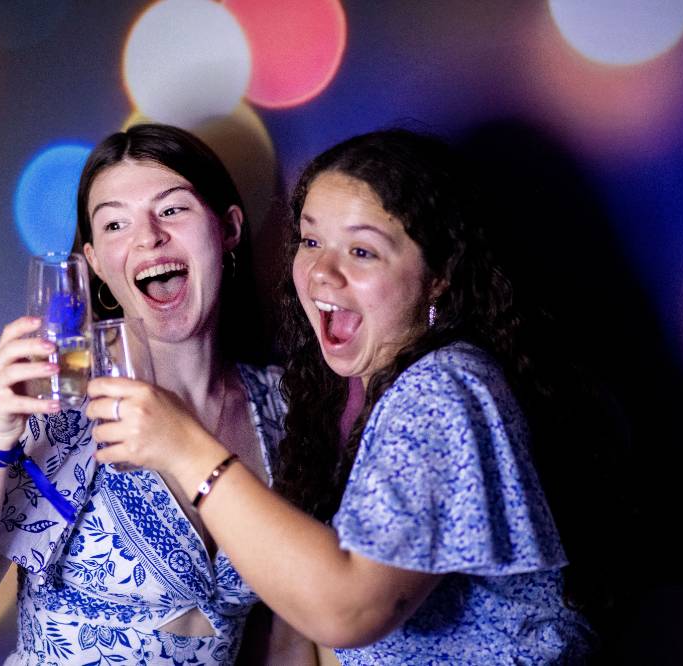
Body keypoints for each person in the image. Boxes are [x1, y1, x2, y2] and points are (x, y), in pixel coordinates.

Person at [86, 128, 599, 663]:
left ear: (439, 275)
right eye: (311, 242)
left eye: (362, 250)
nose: (322, 274)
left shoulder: (439, 389)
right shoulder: (368, 396)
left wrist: (185, 449)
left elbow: (348, 612)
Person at [0, 123, 314, 665]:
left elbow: (286, 633)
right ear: (95, 262)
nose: (147, 238)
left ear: (229, 228)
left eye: (172, 210)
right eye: (116, 223)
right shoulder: (60, 407)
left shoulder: (283, 408)